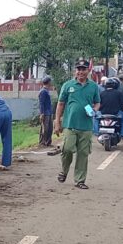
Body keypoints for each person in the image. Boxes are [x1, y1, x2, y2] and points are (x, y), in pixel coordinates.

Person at [54, 58, 100, 190]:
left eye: (83, 69)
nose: (81, 72)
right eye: (78, 69)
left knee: (83, 154)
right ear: (76, 71)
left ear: (88, 70)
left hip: (86, 126)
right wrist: (57, 122)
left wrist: (94, 110)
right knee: (67, 149)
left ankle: (80, 180)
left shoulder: (93, 86)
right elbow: (60, 104)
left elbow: (97, 102)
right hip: (70, 124)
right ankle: (64, 171)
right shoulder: (68, 85)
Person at [38, 76, 54, 146]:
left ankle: (48, 142)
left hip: (49, 112)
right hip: (45, 113)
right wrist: (42, 113)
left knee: (50, 128)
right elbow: (41, 103)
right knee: (45, 128)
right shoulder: (43, 91)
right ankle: (42, 142)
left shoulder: (47, 91)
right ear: (48, 82)